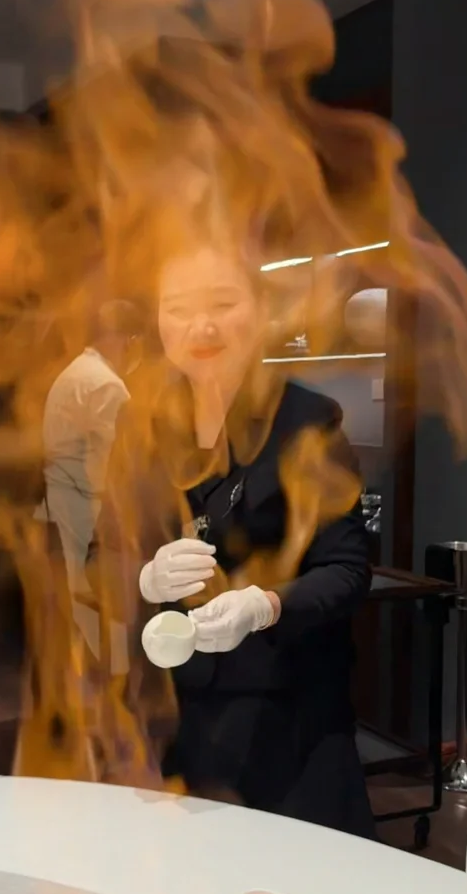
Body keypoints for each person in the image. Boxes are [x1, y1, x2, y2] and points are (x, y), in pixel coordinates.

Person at [108, 246, 376, 837]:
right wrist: (143, 576)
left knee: (301, 880)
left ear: (259, 311)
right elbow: (104, 551)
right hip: (175, 711)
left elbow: (347, 569)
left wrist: (266, 604)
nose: (201, 326)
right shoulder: (141, 423)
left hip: (288, 715)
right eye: (179, 308)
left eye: (222, 304)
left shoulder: (307, 421)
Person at [40, 299, 144, 661]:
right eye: (134, 339)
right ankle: (113, 678)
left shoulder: (74, 374)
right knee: (107, 610)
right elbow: (118, 462)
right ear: (122, 338)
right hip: (93, 515)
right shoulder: (105, 385)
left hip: (65, 506)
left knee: (80, 611)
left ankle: (88, 680)